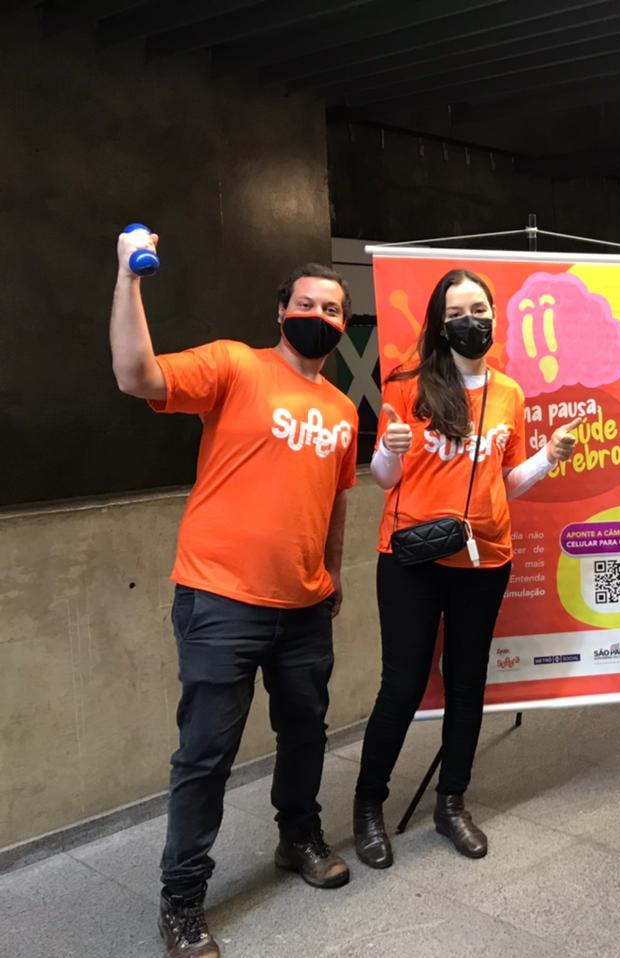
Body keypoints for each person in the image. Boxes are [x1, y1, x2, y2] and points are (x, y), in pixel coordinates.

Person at [110, 230, 359, 958]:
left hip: (306, 606)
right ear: (282, 310)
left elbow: (336, 500)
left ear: (345, 325)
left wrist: (335, 572)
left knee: (305, 735)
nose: (321, 315)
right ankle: (182, 900)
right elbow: (136, 375)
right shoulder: (232, 366)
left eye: (335, 308)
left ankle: (298, 838)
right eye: (308, 303)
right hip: (220, 602)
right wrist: (128, 278)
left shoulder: (343, 411)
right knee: (207, 754)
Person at [352, 269, 581, 865]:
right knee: (401, 686)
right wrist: (386, 452)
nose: (469, 321)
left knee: (468, 682)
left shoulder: (508, 393)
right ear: (439, 322)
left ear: (495, 316)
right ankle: (368, 807)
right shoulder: (406, 384)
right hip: (411, 558)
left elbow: (509, 481)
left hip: (485, 558)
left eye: (478, 309)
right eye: (456, 312)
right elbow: (384, 480)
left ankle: (451, 802)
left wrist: (549, 459)